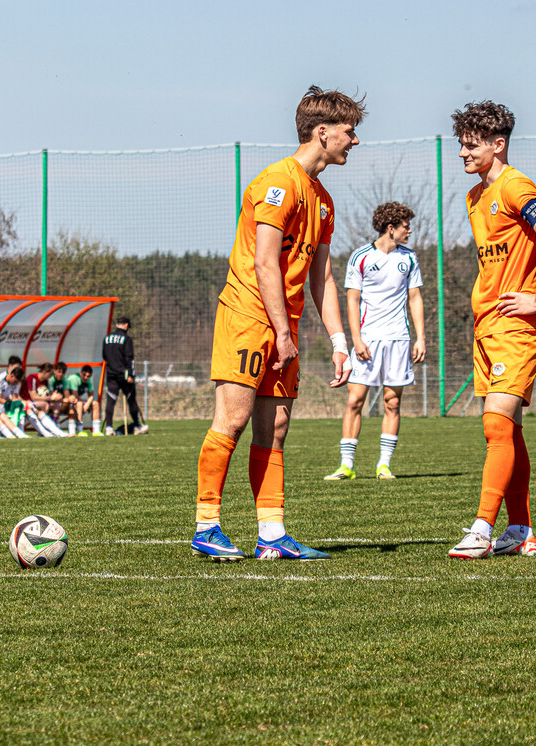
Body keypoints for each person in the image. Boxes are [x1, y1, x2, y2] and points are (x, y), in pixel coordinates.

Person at [191, 85, 364, 562]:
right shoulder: (279, 181)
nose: (355, 141)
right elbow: (266, 263)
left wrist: (338, 341)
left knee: (277, 425)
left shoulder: (324, 200)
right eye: (350, 132)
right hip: (248, 315)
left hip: (281, 325)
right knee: (235, 418)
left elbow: (323, 276)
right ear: (321, 131)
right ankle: (207, 525)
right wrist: (283, 334)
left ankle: (272, 533)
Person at [447, 100, 536, 560]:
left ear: (498, 145)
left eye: (471, 145)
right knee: (508, 430)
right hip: (487, 325)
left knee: (496, 422)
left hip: (517, 327)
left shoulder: (516, 185)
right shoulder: (475, 196)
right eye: (460, 144)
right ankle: (520, 529)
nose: (462, 153)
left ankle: (482, 528)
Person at [325, 202, 425, 481]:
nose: (410, 230)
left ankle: (384, 465)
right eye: (406, 226)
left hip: (399, 339)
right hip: (367, 340)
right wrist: (355, 339)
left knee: (392, 403)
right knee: (355, 400)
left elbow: (415, 297)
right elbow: (352, 299)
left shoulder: (410, 258)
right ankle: (346, 465)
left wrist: (420, 338)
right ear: (391, 228)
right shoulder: (360, 257)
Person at [102, 317, 147, 435]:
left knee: (111, 400)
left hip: (111, 374)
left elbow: (105, 356)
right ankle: (137, 425)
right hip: (124, 375)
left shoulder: (107, 338)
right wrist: (131, 374)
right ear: (126, 325)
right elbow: (129, 358)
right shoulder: (126, 339)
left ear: (117, 324)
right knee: (131, 400)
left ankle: (109, 427)